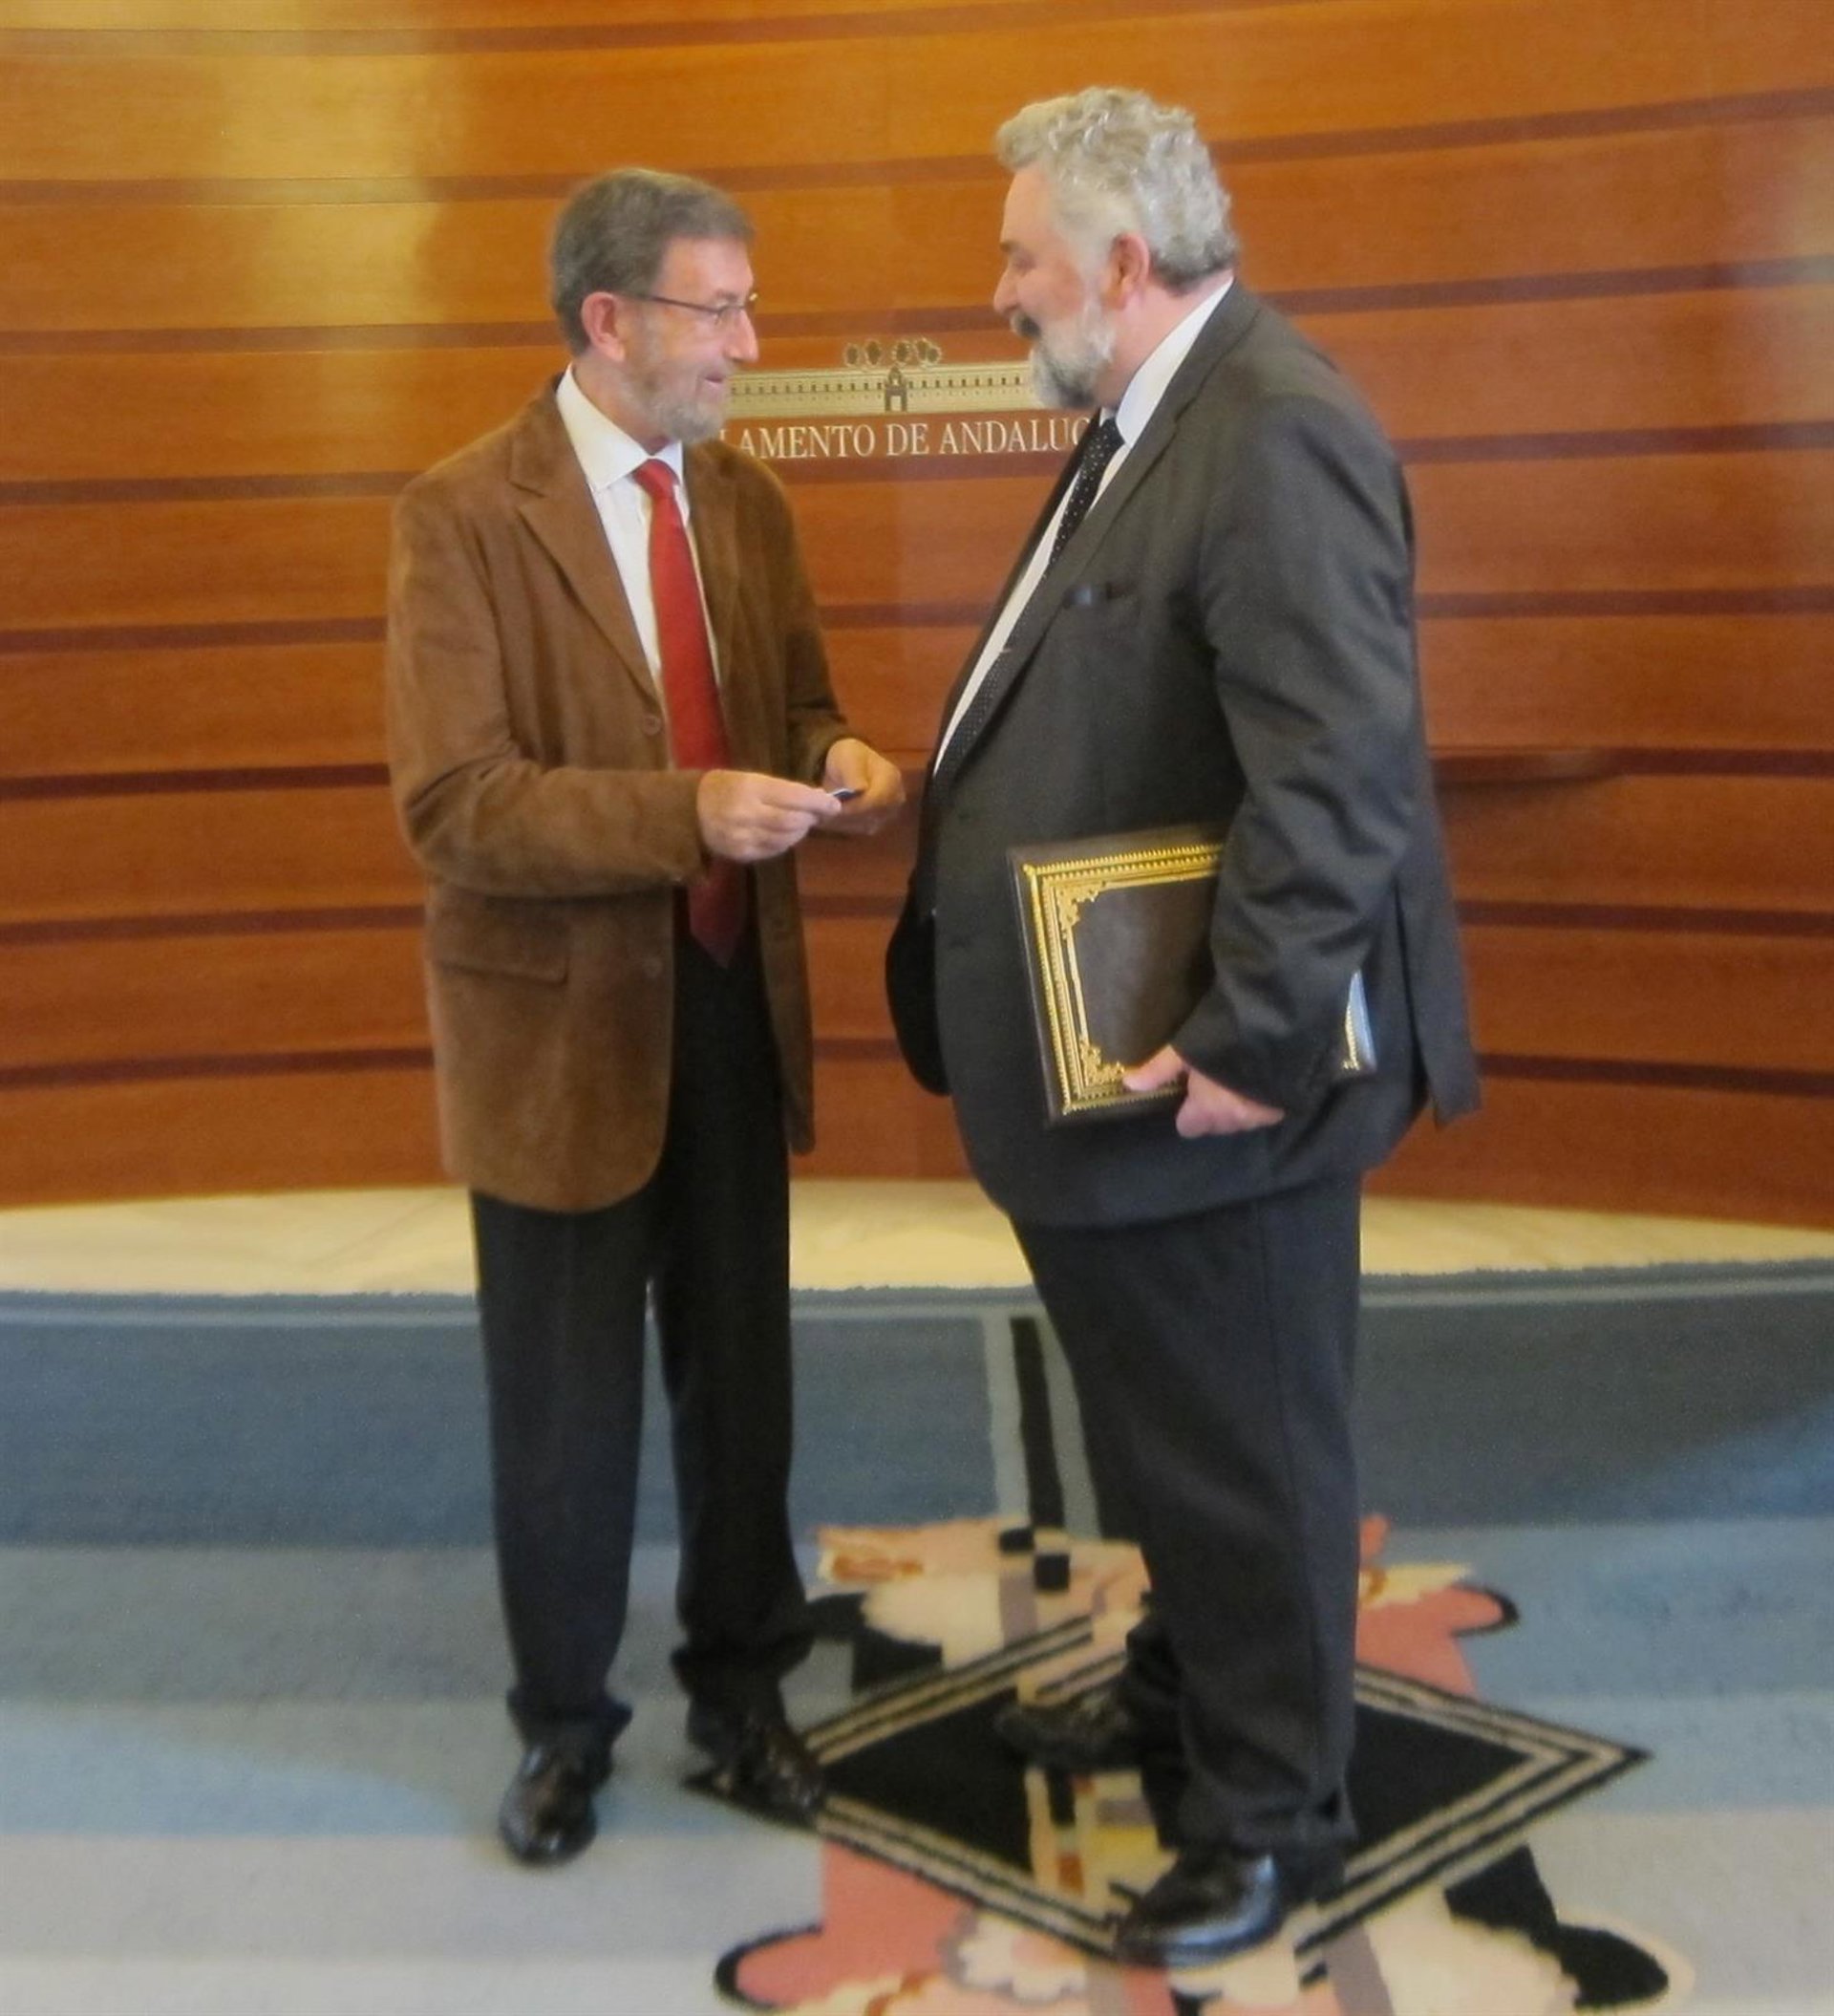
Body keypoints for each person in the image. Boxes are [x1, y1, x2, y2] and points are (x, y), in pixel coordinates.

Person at [885, 89, 1479, 1966]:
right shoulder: (1156, 416)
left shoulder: (1274, 427)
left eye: (1019, 259)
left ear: (1122, 259)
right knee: (1171, 1434)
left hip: (1211, 1081)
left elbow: (1339, 774)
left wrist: (1251, 1034)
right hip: (1115, 1080)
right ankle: (1183, 1678)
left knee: (1245, 1457)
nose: (998, 292)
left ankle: (1270, 1816)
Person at [386, 167, 904, 1868]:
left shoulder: (747, 503)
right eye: (719, 309)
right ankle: (563, 1727)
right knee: (565, 1416)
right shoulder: (462, 514)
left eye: (750, 306)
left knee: (744, 1387)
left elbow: (796, 699)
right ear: (609, 321)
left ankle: (746, 1695)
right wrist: (686, 812)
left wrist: (834, 755)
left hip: (731, 999)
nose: (749, 343)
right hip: (556, 1040)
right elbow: (457, 803)